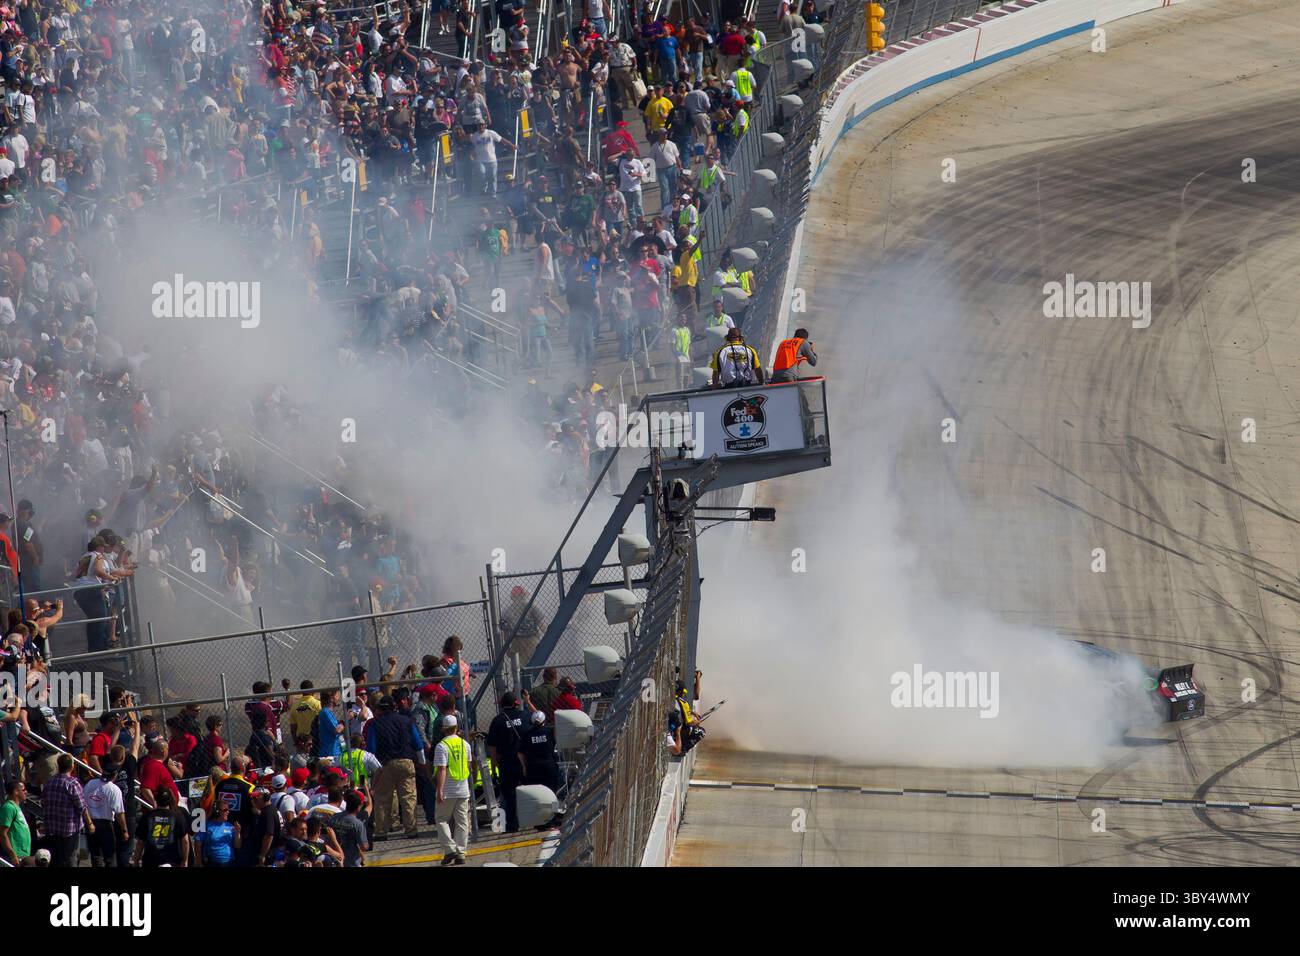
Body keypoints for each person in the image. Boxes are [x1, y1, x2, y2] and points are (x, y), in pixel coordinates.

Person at [366, 694, 427, 840]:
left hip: (384, 764)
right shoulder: (407, 721)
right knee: (408, 798)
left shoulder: (375, 724)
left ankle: (381, 832)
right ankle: (411, 829)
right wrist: (422, 763)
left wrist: (372, 769)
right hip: (406, 762)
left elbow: (371, 749)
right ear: (395, 707)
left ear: (380, 709)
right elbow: (418, 744)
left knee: (382, 799)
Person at [486, 691, 528, 832]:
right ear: (516, 703)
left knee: (509, 794)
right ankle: (532, 818)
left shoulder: (498, 720)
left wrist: (494, 763)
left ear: (502, 706)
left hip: (507, 762)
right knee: (529, 789)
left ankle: (511, 825)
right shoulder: (525, 716)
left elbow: (492, 745)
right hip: (525, 762)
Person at [43, 753, 95, 866]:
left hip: (52, 827)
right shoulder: (72, 783)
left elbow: (44, 803)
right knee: (70, 857)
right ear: (72, 767)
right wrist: (90, 823)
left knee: (56, 858)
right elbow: (82, 807)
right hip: (69, 829)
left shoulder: (49, 782)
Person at [433, 714, 471, 865]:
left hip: (448, 789)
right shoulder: (464, 744)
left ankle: (450, 849)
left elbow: (442, 770)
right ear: (456, 728)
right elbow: (468, 765)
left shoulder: (442, 746)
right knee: (462, 822)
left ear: (443, 729)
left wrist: (439, 790)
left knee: (442, 819)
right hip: (463, 788)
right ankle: (461, 852)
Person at [132, 787, 190, 868]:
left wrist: (136, 860)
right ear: (170, 800)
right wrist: (185, 860)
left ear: (156, 800)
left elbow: (140, 842)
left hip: (151, 860)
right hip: (172, 860)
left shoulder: (147, 817)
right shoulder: (178, 817)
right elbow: (185, 841)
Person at [85, 759, 127, 867]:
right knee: (110, 857)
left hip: (90, 822)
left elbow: (83, 803)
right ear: (115, 775)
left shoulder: (90, 783)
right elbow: (119, 813)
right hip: (105, 825)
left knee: (95, 855)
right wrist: (124, 830)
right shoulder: (114, 789)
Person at [518, 709, 562, 794]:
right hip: (549, 766)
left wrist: (524, 767)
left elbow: (520, 752)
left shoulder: (527, 735)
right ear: (544, 721)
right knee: (551, 791)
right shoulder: (549, 731)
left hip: (533, 768)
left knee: (536, 793)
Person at [325, 790, 369, 867]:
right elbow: (364, 847)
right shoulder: (358, 824)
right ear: (359, 806)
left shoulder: (333, 818)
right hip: (352, 862)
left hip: (335, 860)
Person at [196, 799, 240, 868]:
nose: (228, 812)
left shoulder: (230, 826)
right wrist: (199, 863)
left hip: (229, 862)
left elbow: (237, 846)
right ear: (217, 811)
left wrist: (237, 833)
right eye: (225, 810)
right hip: (212, 863)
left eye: (228, 810)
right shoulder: (206, 825)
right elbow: (198, 843)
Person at [0, 779, 31, 865]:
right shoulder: (8, 808)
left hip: (22, 855)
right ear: (16, 792)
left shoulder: (16, 807)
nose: (26, 792)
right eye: (23, 790)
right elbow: (2, 833)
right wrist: (13, 855)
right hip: (15, 856)